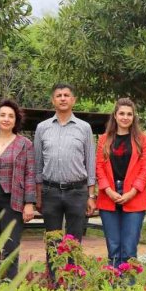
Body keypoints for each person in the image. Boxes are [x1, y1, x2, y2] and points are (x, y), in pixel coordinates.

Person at [0, 99, 36, 280]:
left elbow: (30, 174)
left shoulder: (25, 144)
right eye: (2, 115)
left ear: (16, 120)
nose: (6, 119)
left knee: (11, 244)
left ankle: (9, 283)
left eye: (11, 116)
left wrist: (29, 203)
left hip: (13, 200)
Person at [34, 83, 97, 243]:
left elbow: (90, 164)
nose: (63, 98)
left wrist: (91, 196)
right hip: (50, 191)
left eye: (66, 95)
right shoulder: (42, 128)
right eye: (59, 96)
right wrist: (39, 196)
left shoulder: (84, 128)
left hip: (77, 192)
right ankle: (53, 262)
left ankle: (73, 261)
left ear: (73, 100)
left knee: (74, 242)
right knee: (52, 242)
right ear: (53, 100)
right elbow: (38, 166)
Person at [96, 98, 146, 266]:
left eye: (129, 114)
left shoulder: (142, 140)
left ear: (134, 117)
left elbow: (145, 168)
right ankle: (113, 281)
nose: (125, 117)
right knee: (113, 248)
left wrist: (132, 192)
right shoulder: (104, 139)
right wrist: (108, 190)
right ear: (115, 115)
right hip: (109, 195)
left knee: (129, 249)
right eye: (121, 113)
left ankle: (128, 282)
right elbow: (99, 167)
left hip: (134, 196)